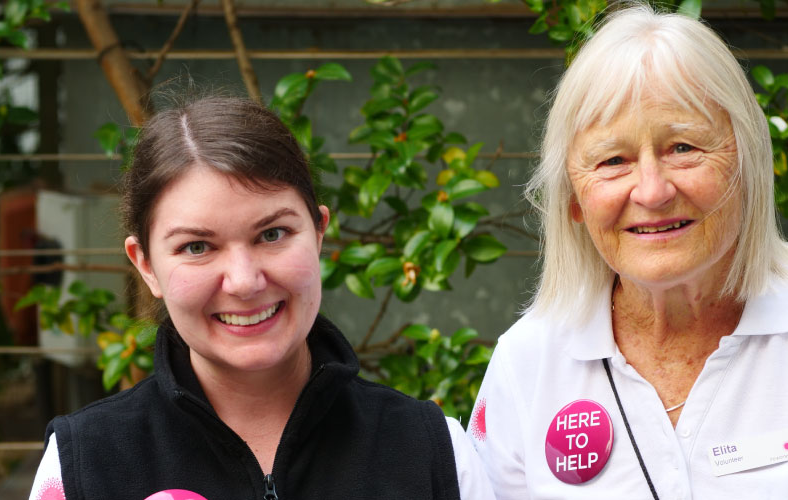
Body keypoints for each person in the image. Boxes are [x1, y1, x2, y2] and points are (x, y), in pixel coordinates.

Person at [467, 4, 788, 500]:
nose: (651, 191)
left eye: (683, 147)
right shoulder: (528, 362)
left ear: (747, 163)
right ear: (573, 201)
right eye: (613, 160)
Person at [28, 96, 494, 500]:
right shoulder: (81, 466)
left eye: (272, 234)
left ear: (319, 234)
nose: (244, 281)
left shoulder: (434, 452)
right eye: (197, 247)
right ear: (145, 264)